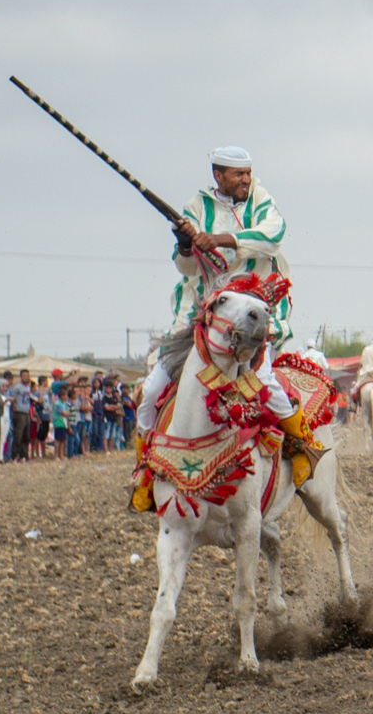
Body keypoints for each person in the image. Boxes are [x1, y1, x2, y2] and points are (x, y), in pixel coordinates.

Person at [128, 148, 323, 511]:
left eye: (248, 173)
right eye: (238, 175)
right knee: (154, 389)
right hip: (202, 323)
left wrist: (217, 239)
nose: (246, 180)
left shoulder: (262, 200)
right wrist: (187, 243)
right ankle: (145, 471)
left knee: (265, 386)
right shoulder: (195, 208)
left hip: (250, 324)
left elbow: (272, 235)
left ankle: (302, 446)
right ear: (218, 176)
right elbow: (185, 267)